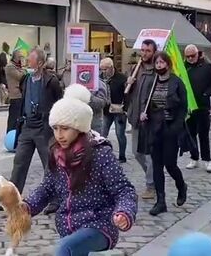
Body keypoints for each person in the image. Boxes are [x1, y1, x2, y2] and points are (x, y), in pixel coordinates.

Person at [24, 85, 138, 255]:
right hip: (68, 226)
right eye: (55, 128)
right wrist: (26, 206)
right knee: (70, 245)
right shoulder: (57, 153)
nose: (59, 135)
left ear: (79, 127)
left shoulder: (100, 153)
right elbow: (47, 188)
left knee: (66, 248)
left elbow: (124, 190)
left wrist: (124, 212)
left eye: (65, 128)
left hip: (99, 225)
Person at [10, 48, 63, 214]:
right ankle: (11, 200)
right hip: (27, 127)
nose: (27, 62)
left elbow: (59, 102)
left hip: (43, 128)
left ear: (39, 63)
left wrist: (54, 125)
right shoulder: (26, 79)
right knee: (19, 162)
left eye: (30, 60)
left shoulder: (51, 81)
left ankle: (55, 200)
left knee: (49, 164)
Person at [136, 51, 188, 216]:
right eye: (157, 63)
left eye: (161, 63)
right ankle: (161, 201)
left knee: (170, 164)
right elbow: (146, 103)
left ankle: (181, 186)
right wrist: (144, 115)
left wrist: (176, 128)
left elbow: (183, 108)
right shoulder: (152, 82)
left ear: (168, 64)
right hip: (154, 129)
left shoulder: (177, 83)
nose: (159, 65)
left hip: (170, 128)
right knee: (157, 165)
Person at [125, 39, 157, 199]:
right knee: (137, 153)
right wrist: (129, 82)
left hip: (149, 118)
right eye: (142, 50)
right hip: (136, 116)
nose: (144, 53)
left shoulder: (157, 70)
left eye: (148, 51)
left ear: (154, 52)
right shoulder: (135, 68)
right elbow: (130, 94)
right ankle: (155, 177)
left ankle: (151, 185)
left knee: (149, 154)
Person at [184, 46, 211, 173]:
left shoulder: (207, 66)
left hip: (203, 105)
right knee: (191, 134)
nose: (190, 59)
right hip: (189, 107)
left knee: (203, 134)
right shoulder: (184, 68)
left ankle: (207, 160)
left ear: (197, 54)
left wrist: (207, 93)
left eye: (192, 56)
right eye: (187, 57)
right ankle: (194, 157)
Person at [100, 58, 128, 163]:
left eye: (105, 69)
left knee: (119, 133)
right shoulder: (100, 78)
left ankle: (122, 156)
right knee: (103, 133)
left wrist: (125, 108)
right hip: (106, 110)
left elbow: (127, 95)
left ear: (111, 68)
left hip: (119, 110)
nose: (103, 72)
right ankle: (102, 154)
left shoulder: (121, 78)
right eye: (101, 69)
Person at [5, 50, 26, 134]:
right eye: (19, 57)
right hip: (15, 95)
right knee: (13, 117)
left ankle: (16, 133)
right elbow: (20, 76)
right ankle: (10, 133)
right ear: (15, 57)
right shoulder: (10, 66)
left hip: (20, 94)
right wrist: (25, 69)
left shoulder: (17, 66)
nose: (21, 58)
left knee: (18, 117)